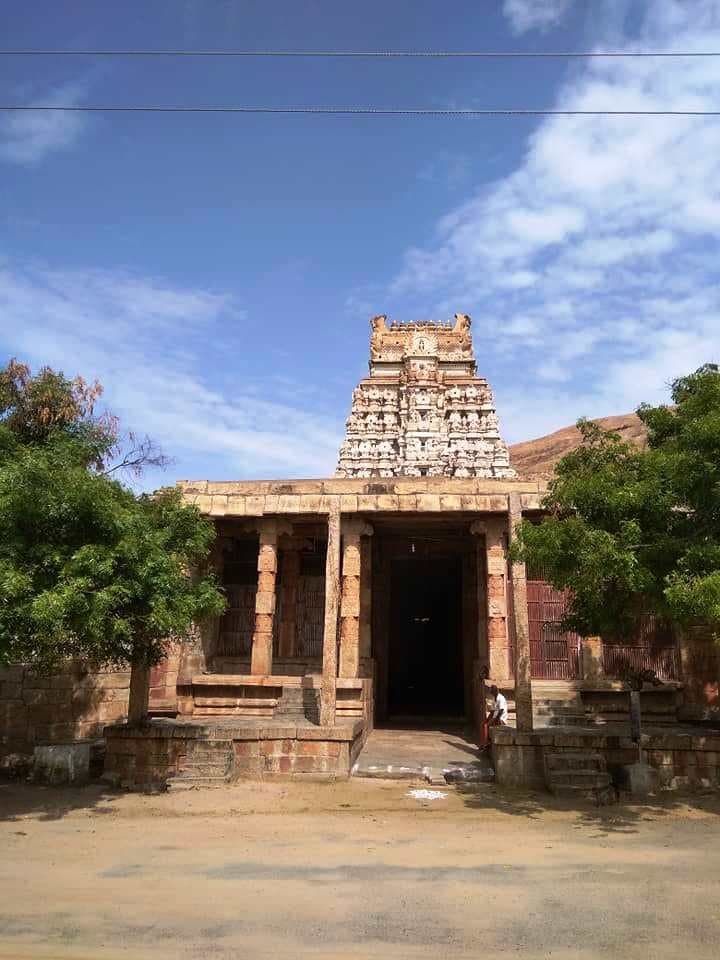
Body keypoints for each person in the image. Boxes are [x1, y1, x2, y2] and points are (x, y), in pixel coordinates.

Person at [480, 684, 508, 749]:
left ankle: (485, 743)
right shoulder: (494, 699)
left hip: (501, 718)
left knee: (486, 726)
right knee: (483, 724)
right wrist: (487, 720)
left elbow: (501, 710)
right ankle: (486, 741)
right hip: (495, 717)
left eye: (491, 692)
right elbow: (492, 712)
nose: (491, 694)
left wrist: (496, 719)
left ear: (494, 691)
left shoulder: (500, 698)